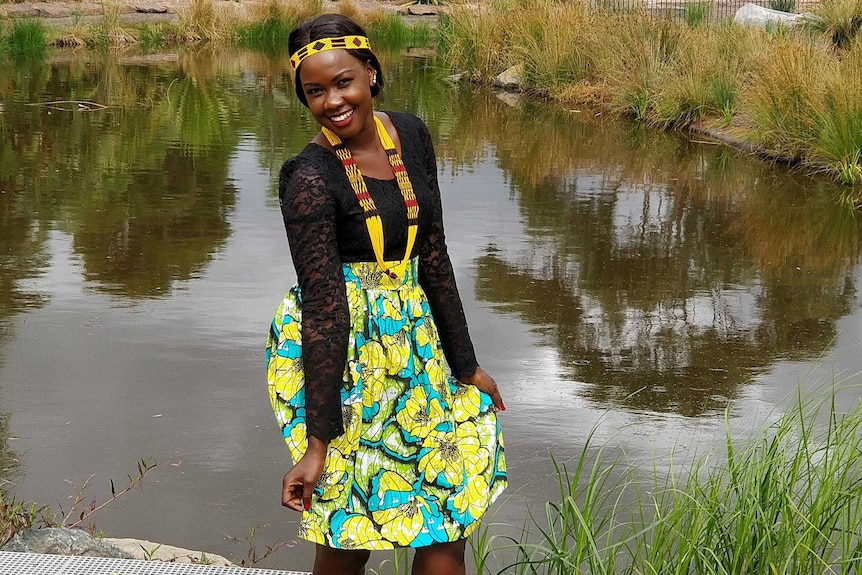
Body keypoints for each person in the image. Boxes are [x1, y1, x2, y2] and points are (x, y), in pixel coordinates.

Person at [266, 13, 507, 575]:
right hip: (346, 358)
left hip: (418, 344)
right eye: (314, 91)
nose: (332, 101)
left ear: (371, 72)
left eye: (343, 81)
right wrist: (318, 444)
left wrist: (466, 366)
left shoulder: (413, 133)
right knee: (353, 524)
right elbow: (325, 310)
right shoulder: (307, 178)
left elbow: (435, 255)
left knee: (448, 513)